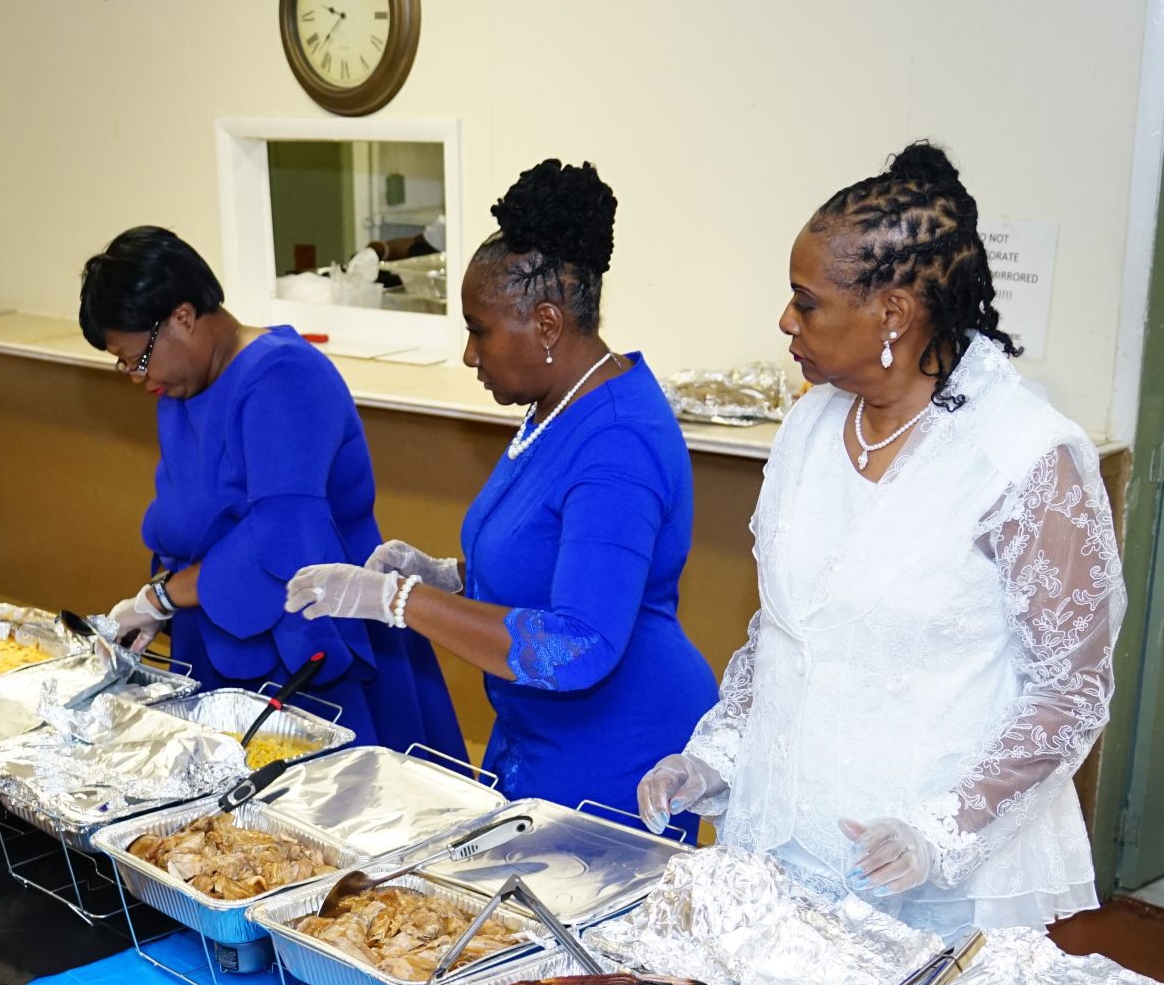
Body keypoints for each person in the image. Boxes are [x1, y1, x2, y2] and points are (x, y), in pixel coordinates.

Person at [635, 144, 1125, 931]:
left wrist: (940, 831)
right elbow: (785, 631)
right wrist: (716, 756)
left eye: (807, 303)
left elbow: (1070, 692)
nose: (786, 320)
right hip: (782, 843)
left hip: (932, 878)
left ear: (892, 313)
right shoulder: (808, 425)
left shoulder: (1025, 457)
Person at [286, 160, 716, 815]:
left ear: (546, 324)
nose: (469, 354)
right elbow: (554, 557)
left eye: (478, 330)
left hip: (615, 752)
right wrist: (450, 578)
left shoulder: (618, 441)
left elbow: (577, 644)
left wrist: (400, 601)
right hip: (537, 734)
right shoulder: (556, 406)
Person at [80, 227, 462, 753]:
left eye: (137, 358)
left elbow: (277, 536)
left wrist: (162, 597)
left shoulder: (283, 376)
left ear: (182, 317)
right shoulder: (182, 387)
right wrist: (160, 597)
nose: (135, 376)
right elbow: (193, 519)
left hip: (307, 636)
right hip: (220, 628)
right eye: (122, 363)